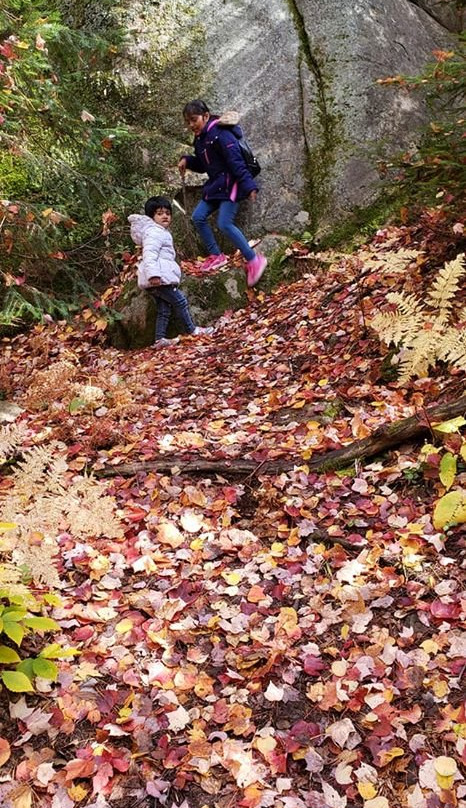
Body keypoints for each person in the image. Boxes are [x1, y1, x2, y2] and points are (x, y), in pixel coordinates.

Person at [178, 99, 267, 288]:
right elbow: (203, 165)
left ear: (206, 116)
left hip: (231, 184)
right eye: (188, 122)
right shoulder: (200, 139)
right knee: (198, 217)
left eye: (194, 119)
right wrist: (187, 160)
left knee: (224, 223)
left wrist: (249, 186)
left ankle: (254, 260)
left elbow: (236, 161)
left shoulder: (221, 134)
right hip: (216, 185)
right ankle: (217, 256)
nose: (191, 125)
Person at [128, 196, 213, 347]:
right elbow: (149, 255)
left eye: (167, 213)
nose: (165, 216)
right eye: (159, 213)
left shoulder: (159, 232)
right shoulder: (154, 232)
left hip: (159, 278)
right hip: (159, 279)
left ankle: (160, 339)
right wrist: (153, 275)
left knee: (164, 308)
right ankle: (192, 330)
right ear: (152, 217)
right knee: (180, 301)